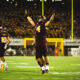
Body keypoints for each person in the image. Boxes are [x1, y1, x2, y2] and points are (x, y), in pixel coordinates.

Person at [25, 10, 55, 74]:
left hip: (38, 43)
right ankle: (46, 67)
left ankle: (42, 67)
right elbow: (50, 20)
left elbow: (31, 21)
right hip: (43, 42)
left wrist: (27, 15)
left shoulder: (36, 24)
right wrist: (53, 15)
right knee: (45, 55)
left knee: (38, 57)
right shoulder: (44, 24)